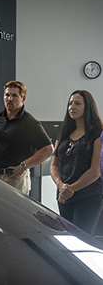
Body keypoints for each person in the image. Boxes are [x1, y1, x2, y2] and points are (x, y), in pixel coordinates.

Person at [0, 80, 53, 195]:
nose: (10, 99)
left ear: (23, 99)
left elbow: (48, 149)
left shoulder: (29, 123)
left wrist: (24, 166)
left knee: (11, 213)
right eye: (7, 95)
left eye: (14, 96)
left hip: (15, 178)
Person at [50, 90, 103, 235]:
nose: (72, 107)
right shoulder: (64, 135)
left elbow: (95, 171)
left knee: (82, 237)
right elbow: (54, 165)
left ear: (88, 107)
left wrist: (69, 189)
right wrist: (61, 186)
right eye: (70, 103)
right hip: (64, 194)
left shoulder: (97, 134)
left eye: (77, 103)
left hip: (87, 195)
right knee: (66, 235)